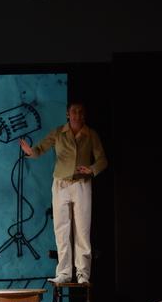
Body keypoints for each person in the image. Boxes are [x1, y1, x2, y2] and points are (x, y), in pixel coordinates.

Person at [19, 102, 107, 284]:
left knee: (82, 230)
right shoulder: (59, 132)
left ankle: (83, 274)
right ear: (68, 114)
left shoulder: (91, 134)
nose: (77, 115)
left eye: (80, 112)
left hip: (81, 184)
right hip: (61, 184)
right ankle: (64, 273)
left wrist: (91, 169)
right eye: (74, 112)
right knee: (61, 229)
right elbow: (40, 149)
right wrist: (30, 152)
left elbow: (102, 160)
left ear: (84, 115)